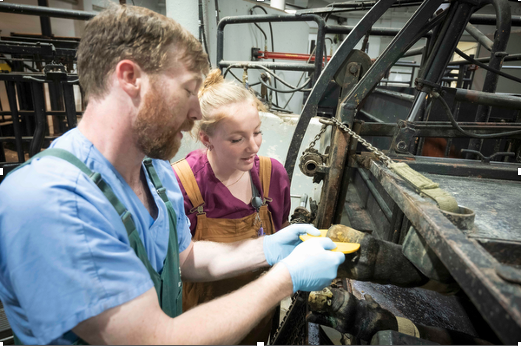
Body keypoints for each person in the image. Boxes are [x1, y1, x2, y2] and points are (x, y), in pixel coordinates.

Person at [0, 5, 345, 345]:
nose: (196, 111)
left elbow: (186, 259)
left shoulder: (157, 176)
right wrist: (285, 278)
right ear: (130, 78)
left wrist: (268, 249)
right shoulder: (51, 201)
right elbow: (155, 340)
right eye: (187, 90)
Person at [172, 69, 291, 344]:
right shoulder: (182, 184)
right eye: (237, 139)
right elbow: (180, 264)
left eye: (257, 132)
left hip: (259, 322)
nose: (253, 147)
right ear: (206, 138)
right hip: (202, 328)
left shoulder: (272, 176)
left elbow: (278, 231)